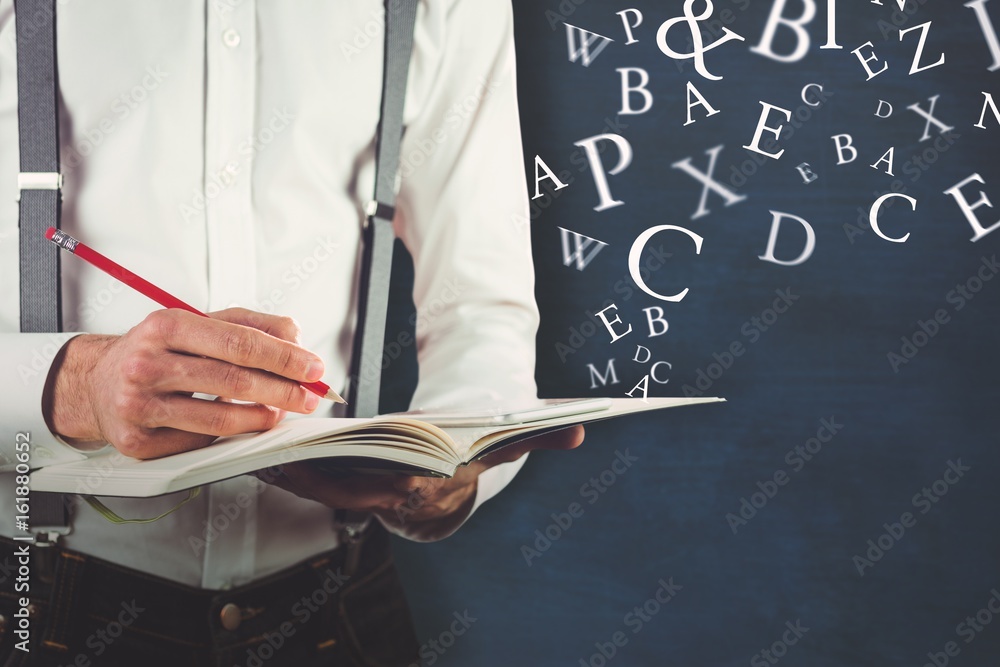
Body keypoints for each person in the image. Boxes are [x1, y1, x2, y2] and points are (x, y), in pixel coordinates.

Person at [0, 1, 584, 664]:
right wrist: (71, 386)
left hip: (341, 603)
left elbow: (482, 301)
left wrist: (449, 459)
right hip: (35, 598)